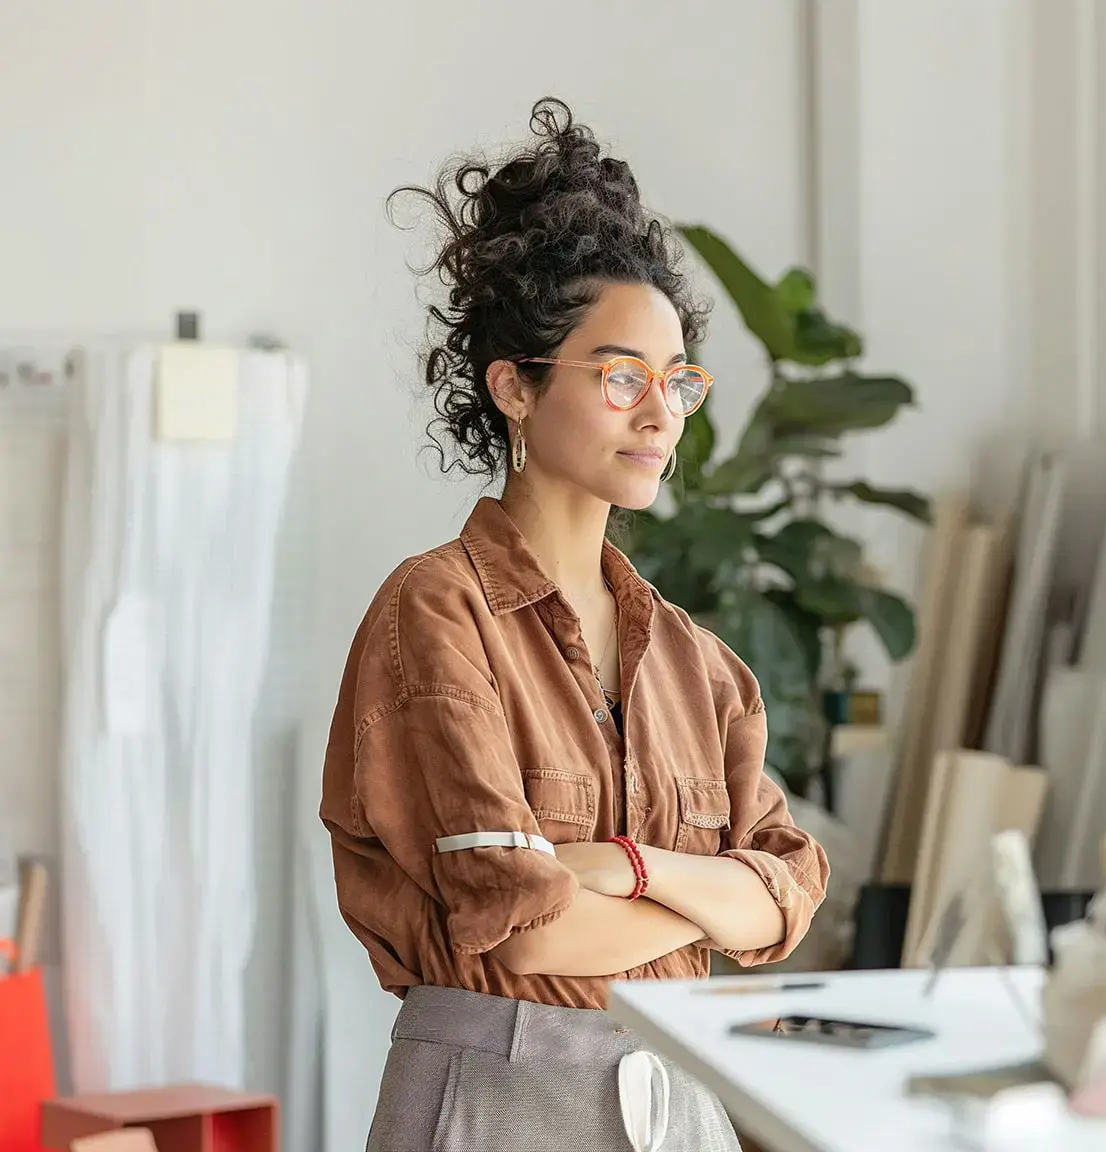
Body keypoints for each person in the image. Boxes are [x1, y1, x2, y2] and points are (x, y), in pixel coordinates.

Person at [320, 98, 830, 1152]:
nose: (661, 413)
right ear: (515, 385)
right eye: (619, 376)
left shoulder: (699, 664)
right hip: (496, 1096)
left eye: (677, 380)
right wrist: (706, 901)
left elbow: (787, 898)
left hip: (684, 1109)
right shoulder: (438, 609)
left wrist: (633, 870)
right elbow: (526, 924)